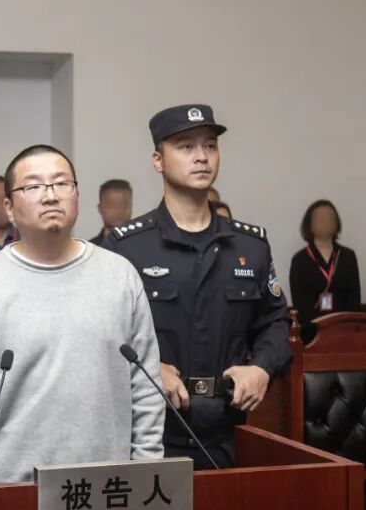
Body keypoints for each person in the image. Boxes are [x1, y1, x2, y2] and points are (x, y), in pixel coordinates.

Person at [0, 144, 164, 485]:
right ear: (9, 207)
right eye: (33, 186)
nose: (50, 196)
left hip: (110, 489)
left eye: (62, 183)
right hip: (10, 490)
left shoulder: (120, 276)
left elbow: (146, 389)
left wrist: (147, 475)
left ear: (77, 196)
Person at [104, 104, 291, 470]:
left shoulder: (250, 246)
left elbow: (275, 322)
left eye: (210, 146)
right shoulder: (126, 247)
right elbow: (100, 332)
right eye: (186, 146)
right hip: (148, 432)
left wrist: (262, 368)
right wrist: (147, 368)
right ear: (158, 161)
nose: (202, 156)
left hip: (227, 430)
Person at [288, 200, 361, 343]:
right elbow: (299, 302)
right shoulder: (300, 259)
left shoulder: (348, 256)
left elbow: (354, 298)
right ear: (309, 224)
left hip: (345, 330)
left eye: (329, 217)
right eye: (319, 218)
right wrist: (319, 327)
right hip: (312, 333)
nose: (324, 221)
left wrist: (347, 324)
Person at [88, 178, 134, 245]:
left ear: (131, 206)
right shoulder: (91, 248)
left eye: (123, 205)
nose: (118, 211)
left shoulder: (144, 245)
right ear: (100, 208)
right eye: (112, 205)